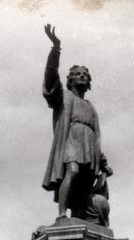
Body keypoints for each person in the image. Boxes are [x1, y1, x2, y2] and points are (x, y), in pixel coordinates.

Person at [42, 24, 107, 222]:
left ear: (89, 82)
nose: (82, 76)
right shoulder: (64, 98)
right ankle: (62, 215)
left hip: (88, 146)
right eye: (77, 74)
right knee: (72, 170)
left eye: (85, 75)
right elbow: (51, 78)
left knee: (85, 183)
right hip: (71, 140)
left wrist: (102, 159)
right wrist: (56, 49)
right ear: (70, 80)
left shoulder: (90, 107)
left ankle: (78, 216)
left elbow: (96, 137)